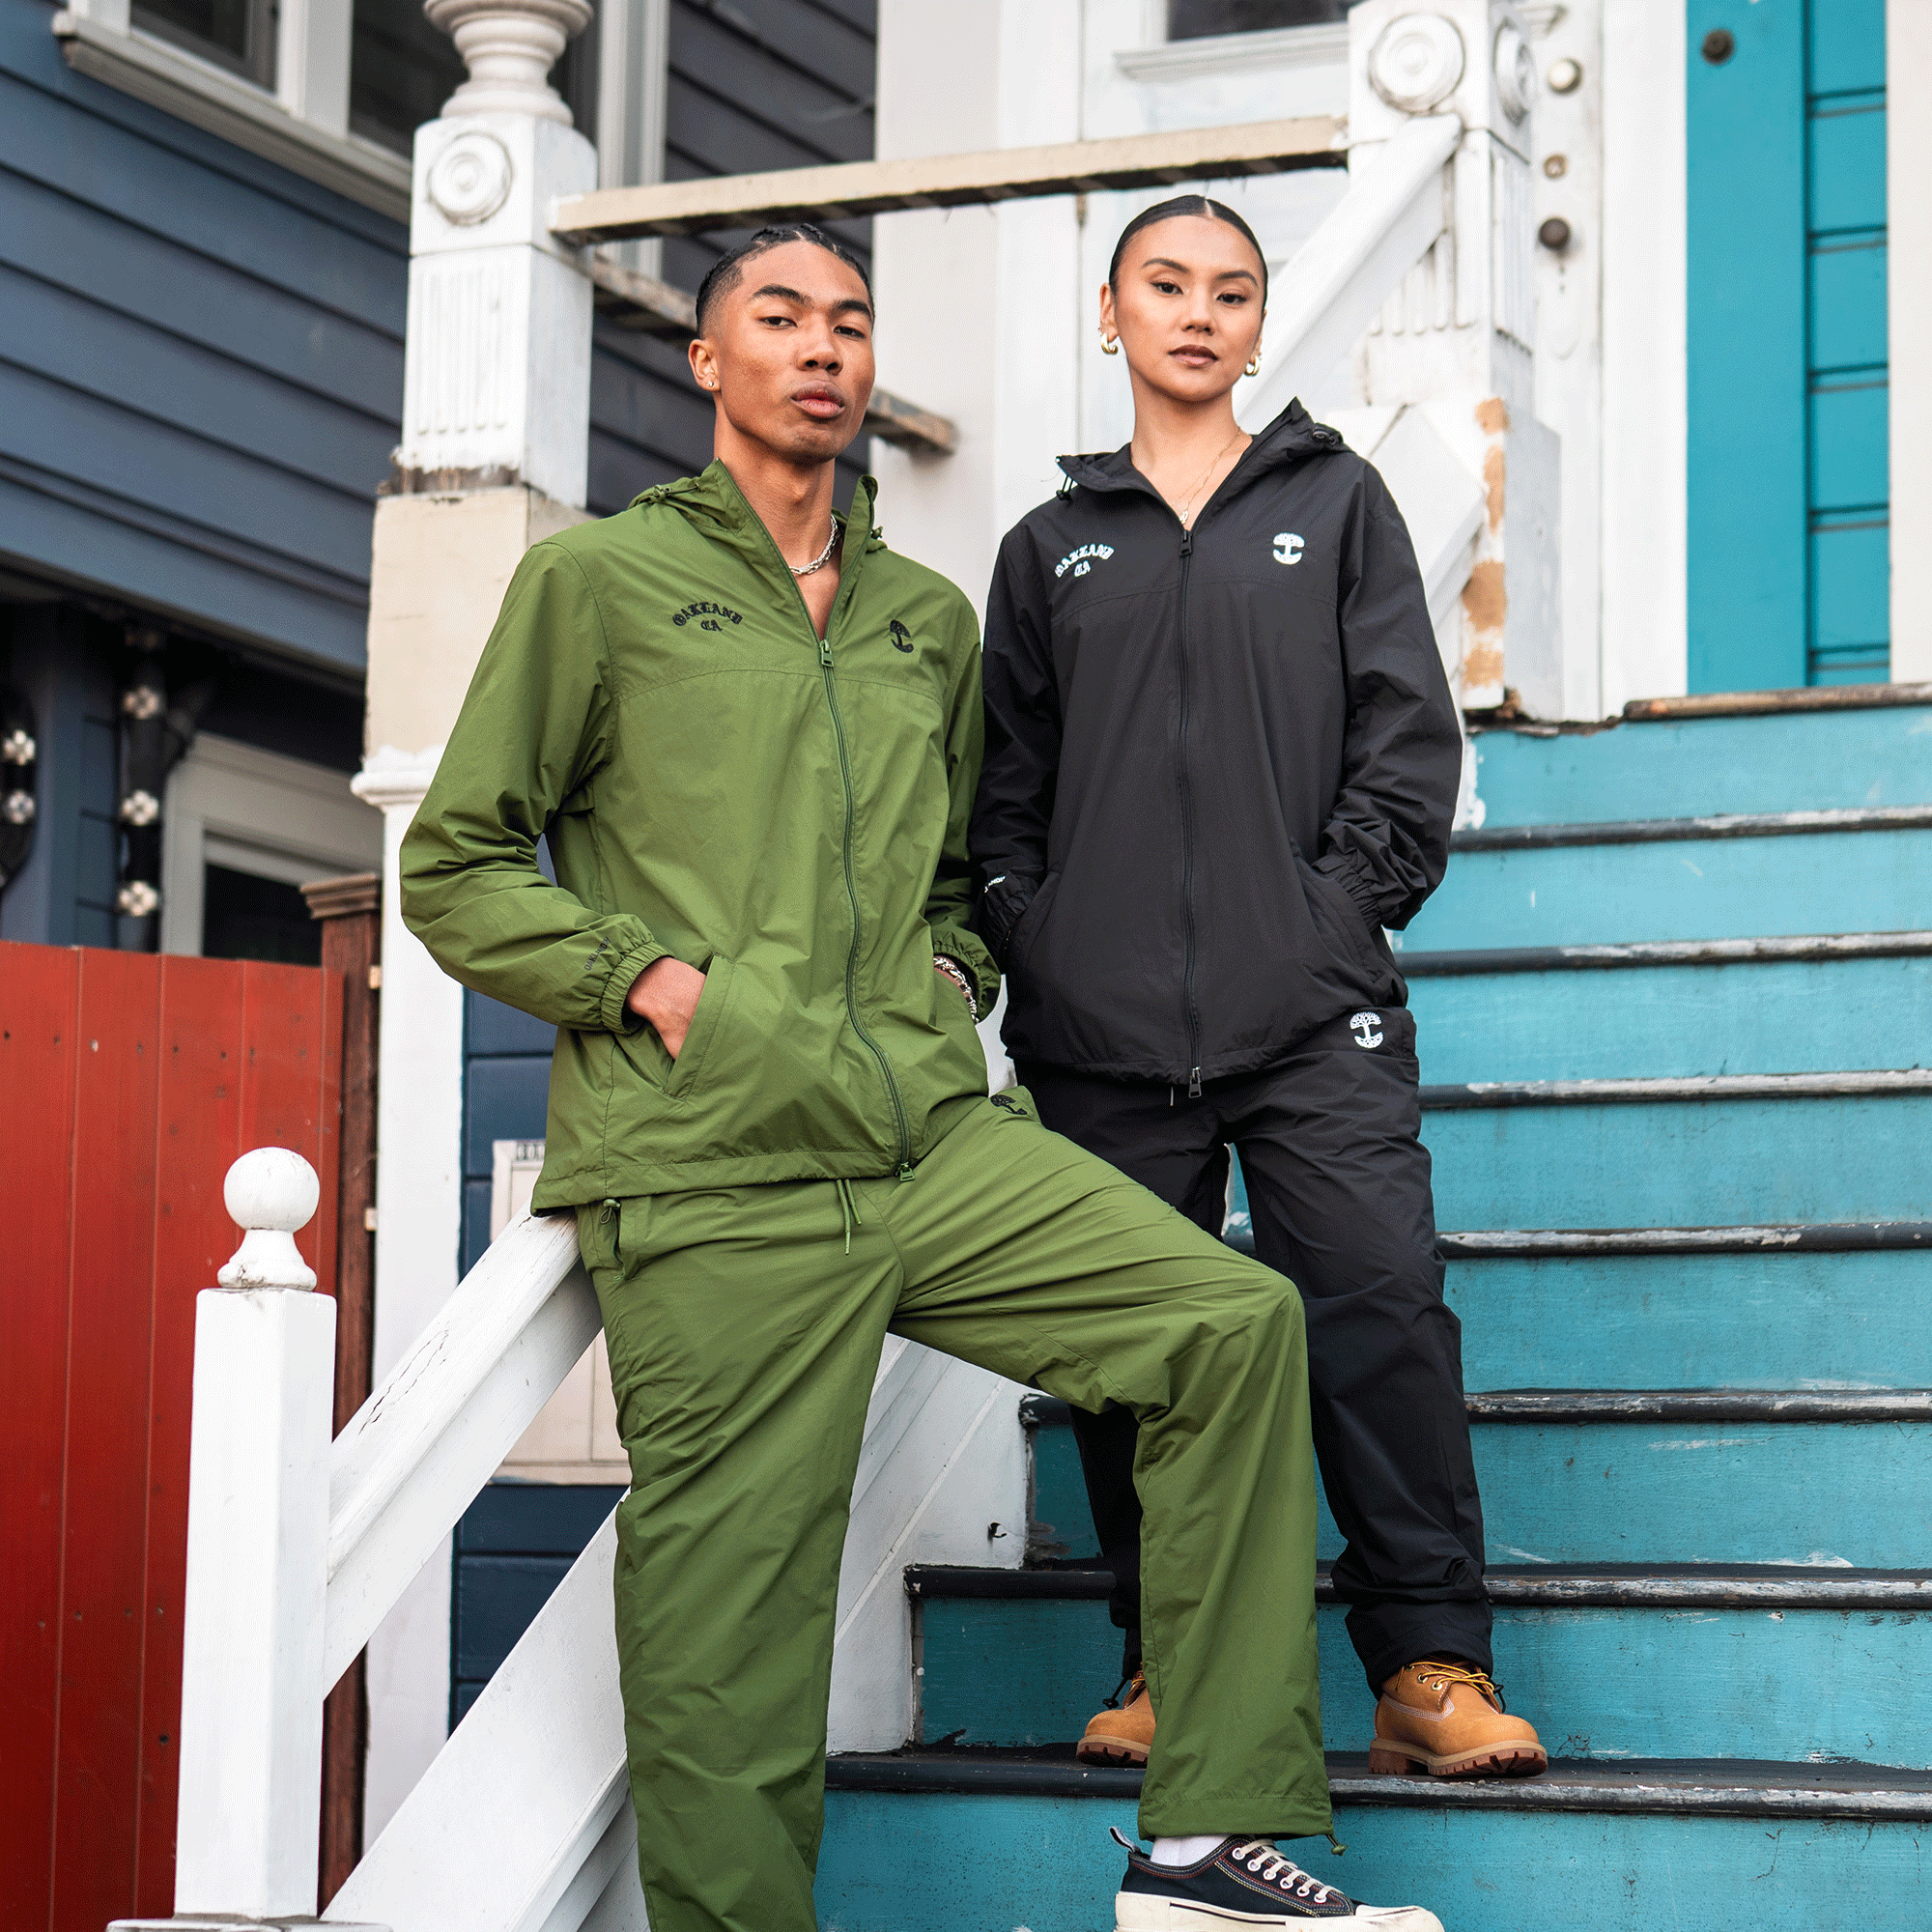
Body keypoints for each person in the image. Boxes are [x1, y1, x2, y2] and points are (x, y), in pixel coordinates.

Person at [401, 224, 1442, 1932]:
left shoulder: (922, 616)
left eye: (851, 322)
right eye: (779, 319)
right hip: (713, 1170)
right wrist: (657, 986)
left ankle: (1201, 1852)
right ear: (709, 361)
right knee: (733, 1623)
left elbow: (962, 864)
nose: (822, 348)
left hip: (926, 1140)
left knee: (1230, 1327)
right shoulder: (597, 586)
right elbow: (457, 864)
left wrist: (954, 973)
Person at [972, 195, 1547, 1784]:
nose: (1199, 312)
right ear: (1113, 313)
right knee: (1140, 1349)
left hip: (1310, 1015)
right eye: (1167, 284)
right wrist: (1044, 931)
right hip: (1100, 1030)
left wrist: (1325, 920)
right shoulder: (1048, 548)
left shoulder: (1337, 503)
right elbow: (1003, 793)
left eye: (1233, 290)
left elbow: (1405, 745)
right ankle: (1168, 1659)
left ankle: (1429, 1665)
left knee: (1377, 1310)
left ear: (1256, 322)